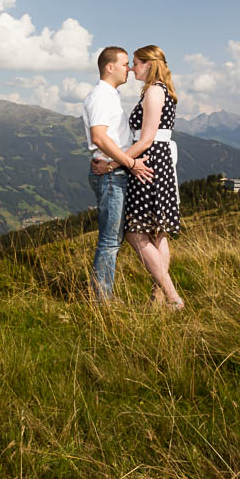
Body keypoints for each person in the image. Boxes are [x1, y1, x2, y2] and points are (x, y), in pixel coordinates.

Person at [95, 44, 184, 310]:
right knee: (158, 233)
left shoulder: (154, 91)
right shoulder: (160, 90)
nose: (132, 68)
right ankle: (160, 297)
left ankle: (171, 296)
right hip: (160, 162)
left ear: (149, 63)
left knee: (136, 234)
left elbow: (146, 140)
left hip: (148, 163)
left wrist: (113, 164)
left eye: (136, 63)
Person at [81, 46, 152, 301]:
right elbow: (99, 137)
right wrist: (129, 163)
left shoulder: (110, 95)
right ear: (109, 67)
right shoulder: (101, 96)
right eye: (125, 64)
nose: (129, 69)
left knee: (113, 239)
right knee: (110, 241)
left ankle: (102, 294)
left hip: (113, 171)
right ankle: (101, 300)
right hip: (111, 176)